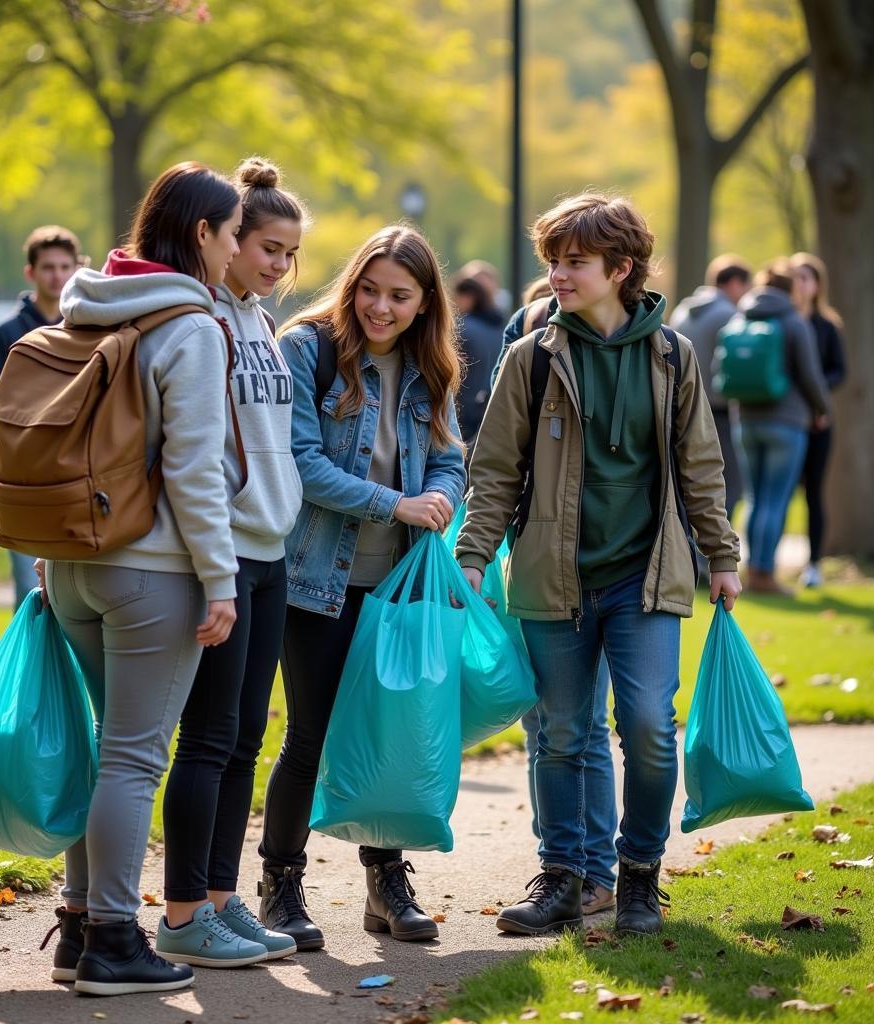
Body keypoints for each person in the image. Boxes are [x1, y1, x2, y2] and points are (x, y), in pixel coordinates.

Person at [456, 192, 741, 937]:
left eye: (573, 261)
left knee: (648, 726)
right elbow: (493, 472)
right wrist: (474, 556)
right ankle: (564, 876)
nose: (556, 274)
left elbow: (701, 466)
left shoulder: (672, 354)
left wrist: (722, 554)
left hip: (644, 577)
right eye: (552, 260)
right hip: (553, 578)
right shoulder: (531, 357)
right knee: (560, 732)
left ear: (620, 269)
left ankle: (639, 874)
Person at [37, 161, 243, 997]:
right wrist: (220, 578)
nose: (233, 253)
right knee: (132, 760)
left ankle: (80, 924)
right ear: (202, 233)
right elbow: (194, 470)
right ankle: (117, 944)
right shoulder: (188, 326)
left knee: (101, 753)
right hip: (152, 569)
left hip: (73, 563)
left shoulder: (85, 307)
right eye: (232, 235)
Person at [257, 225, 466, 950]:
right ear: (352, 285)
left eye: (399, 296)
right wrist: (395, 504)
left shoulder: (428, 365)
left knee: (386, 737)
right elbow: (299, 463)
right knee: (311, 737)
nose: (381, 307)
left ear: (423, 301)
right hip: (316, 581)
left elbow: (449, 455)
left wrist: (438, 493)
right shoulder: (307, 350)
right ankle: (280, 887)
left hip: (397, 588)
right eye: (369, 290)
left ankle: (386, 884)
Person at [157, 158, 308, 968]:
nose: (279, 266)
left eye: (290, 253)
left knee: (247, 734)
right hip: (222, 553)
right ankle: (182, 915)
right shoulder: (199, 316)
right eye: (267, 248)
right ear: (225, 240)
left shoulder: (257, 322)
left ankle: (220, 900)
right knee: (208, 738)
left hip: (271, 549)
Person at [495, 273, 617, 919]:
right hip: (540, 560)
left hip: (607, 564)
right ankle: (566, 864)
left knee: (580, 726)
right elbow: (502, 453)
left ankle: (589, 870)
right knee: (550, 723)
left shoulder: (639, 348)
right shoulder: (531, 338)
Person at [0, 226, 83, 607]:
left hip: (74, 473)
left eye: (64, 267)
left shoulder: (88, 327)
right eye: (48, 267)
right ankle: (31, 665)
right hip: (21, 473)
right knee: (29, 586)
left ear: (77, 268)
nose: (57, 275)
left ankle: (66, 666)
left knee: (76, 587)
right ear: (31, 273)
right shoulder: (7, 331)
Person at [734, 260, 830, 596]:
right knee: (776, 500)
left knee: (755, 499)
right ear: (791, 289)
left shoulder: (742, 315)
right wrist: (823, 409)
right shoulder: (793, 321)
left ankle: (750, 569)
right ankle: (764, 574)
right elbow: (811, 376)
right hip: (787, 423)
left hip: (745, 420)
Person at [670, 254, 752, 521]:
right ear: (735, 283)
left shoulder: (682, 312)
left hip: (681, 407)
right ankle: (713, 552)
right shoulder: (729, 314)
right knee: (728, 485)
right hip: (719, 411)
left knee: (691, 484)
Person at [790, 252, 846, 588]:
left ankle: (813, 565)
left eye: (806, 277)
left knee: (814, 494)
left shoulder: (828, 325)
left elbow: (840, 370)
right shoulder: (782, 321)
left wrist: (817, 395)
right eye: (795, 277)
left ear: (817, 284)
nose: (800, 283)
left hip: (819, 423)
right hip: (786, 422)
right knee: (779, 494)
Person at [452, 274, 503, 447]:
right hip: (490, 410)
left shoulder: (462, 328)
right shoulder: (499, 329)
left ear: (467, 297)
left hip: (462, 412)